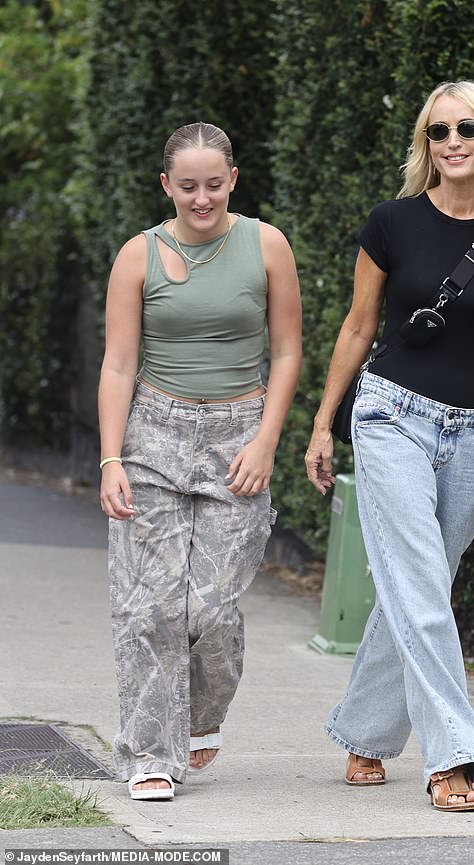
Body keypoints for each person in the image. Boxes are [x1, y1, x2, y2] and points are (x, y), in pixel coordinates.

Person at [305, 80, 474, 812]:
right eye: (438, 130)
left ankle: (365, 731)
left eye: (467, 128)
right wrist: (325, 421)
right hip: (391, 416)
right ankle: (452, 755)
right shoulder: (391, 222)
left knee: (419, 586)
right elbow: (357, 326)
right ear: (425, 143)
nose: (452, 141)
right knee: (417, 580)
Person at [98, 121, 302, 800]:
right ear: (167, 185)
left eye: (214, 184)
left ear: (233, 180)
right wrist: (109, 458)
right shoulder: (137, 255)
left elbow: (286, 352)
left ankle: (199, 717)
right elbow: (120, 363)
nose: (202, 198)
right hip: (153, 432)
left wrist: (266, 440)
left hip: (238, 433)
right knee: (148, 608)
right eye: (188, 186)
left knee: (210, 609)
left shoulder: (266, 245)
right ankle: (149, 756)